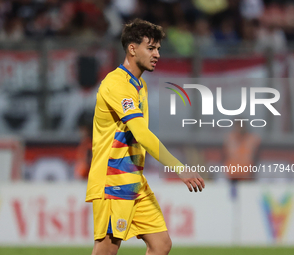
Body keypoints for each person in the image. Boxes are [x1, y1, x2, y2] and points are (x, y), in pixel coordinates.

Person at [85, 18, 205, 255]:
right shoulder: (116, 84)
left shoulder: (139, 85)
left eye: (158, 48)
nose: (157, 54)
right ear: (132, 48)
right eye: (151, 48)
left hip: (133, 180)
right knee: (106, 251)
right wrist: (179, 168)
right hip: (113, 180)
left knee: (161, 245)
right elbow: (141, 133)